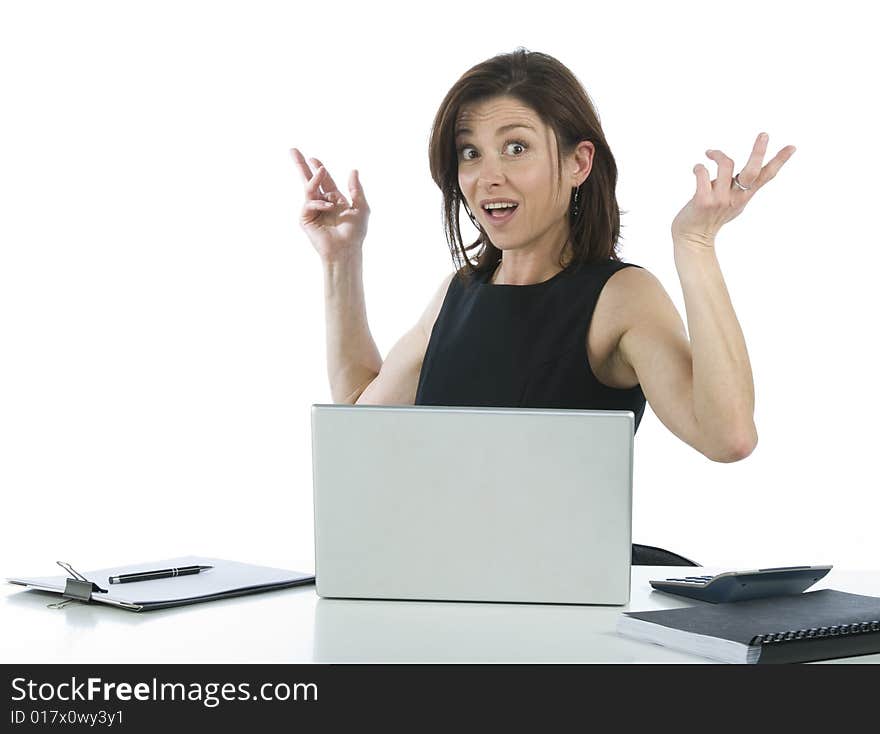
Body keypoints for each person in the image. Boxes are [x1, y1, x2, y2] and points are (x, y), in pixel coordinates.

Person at [291, 48, 795, 466]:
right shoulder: (458, 294)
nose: (488, 175)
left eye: (515, 148)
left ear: (579, 162)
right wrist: (341, 259)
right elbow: (360, 415)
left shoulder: (621, 298)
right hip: (449, 581)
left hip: (568, 586)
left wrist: (696, 245)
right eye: (470, 152)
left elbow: (728, 437)